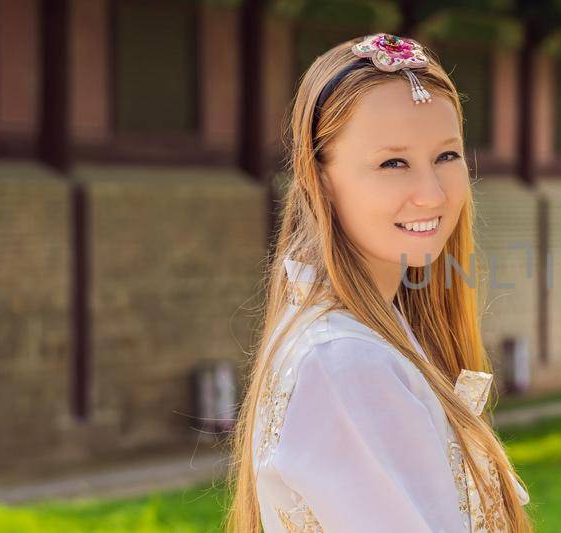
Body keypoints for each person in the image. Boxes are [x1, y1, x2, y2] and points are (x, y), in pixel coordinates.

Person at [226, 33, 532, 533]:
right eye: (393, 163)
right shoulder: (345, 360)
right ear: (318, 177)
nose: (431, 194)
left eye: (447, 156)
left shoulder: (362, 337)